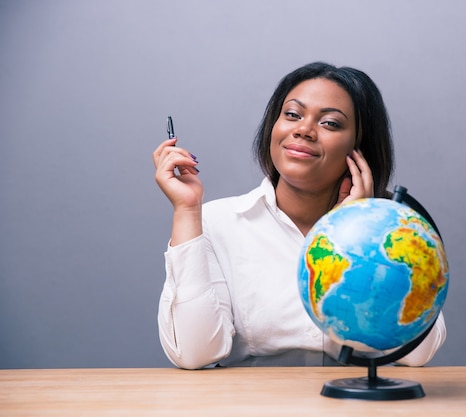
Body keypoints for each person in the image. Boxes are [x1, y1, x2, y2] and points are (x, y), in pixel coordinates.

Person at [152, 62, 446, 369]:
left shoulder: (390, 229)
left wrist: (353, 230)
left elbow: (417, 353)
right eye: (292, 114)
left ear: (359, 148)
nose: (303, 130)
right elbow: (194, 353)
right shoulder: (216, 221)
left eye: (330, 123)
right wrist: (186, 210)